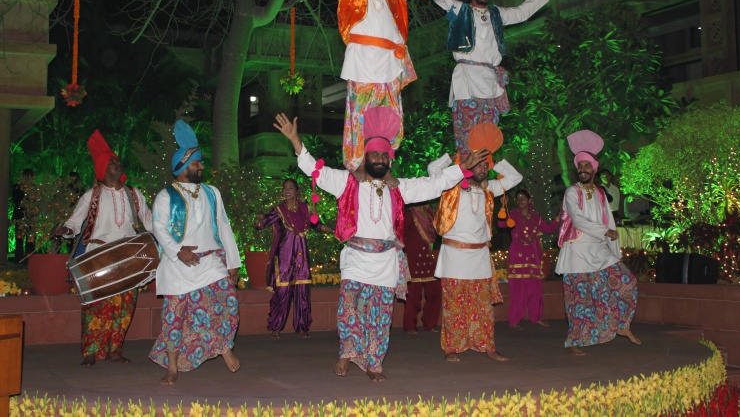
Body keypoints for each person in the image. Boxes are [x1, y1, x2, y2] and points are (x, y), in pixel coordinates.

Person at [274, 108, 487, 382]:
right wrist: (295, 140)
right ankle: (346, 353)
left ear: (389, 160)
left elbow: (435, 184)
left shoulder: (400, 188)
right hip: (355, 259)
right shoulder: (347, 183)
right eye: (374, 155)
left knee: (380, 317)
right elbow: (315, 170)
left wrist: (463, 167)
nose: (378, 159)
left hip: (385, 263)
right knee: (349, 309)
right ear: (366, 158)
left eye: (383, 155)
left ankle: (374, 363)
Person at [293, 0, 457, 171]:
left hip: (391, 64)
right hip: (362, 62)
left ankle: (386, 165)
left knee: (392, 118)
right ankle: (357, 167)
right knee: (360, 117)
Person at [420, 0, 549, 154]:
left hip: (491, 82)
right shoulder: (460, 10)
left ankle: (484, 179)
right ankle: (466, 178)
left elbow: (521, 13)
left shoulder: (496, 14)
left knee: (488, 139)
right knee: (468, 136)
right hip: (467, 81)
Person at [149, 120, 242, 385]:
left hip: (211, 262)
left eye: (200, 163)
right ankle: (173, 367)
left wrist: (233, 262)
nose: (201, 167)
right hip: (178, 267)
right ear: (181, 168)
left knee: (228, 303)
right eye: (196, 164)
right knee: (173, 318)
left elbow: (223, 226)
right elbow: (158, 227)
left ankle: (224, 347)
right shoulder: (165, 196)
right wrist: (178, 251)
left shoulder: (212, 192)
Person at [53, 131, 152, 367]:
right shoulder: (91, 196)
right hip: (98, 256)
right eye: (113, 162)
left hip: (128, 257)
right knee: (95, 306)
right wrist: (65, 231)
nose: (118, 164)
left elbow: (150, 222)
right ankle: (90, 351)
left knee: (125, 305)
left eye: (118, 161)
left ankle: (115, 351)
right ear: (103, 168)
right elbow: (74, 224)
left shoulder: (134, 194)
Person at [431, 123, 522, 362]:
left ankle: (487, 346)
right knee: (454, 305)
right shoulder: (450, 187)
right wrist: (451, 159)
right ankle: (452, 347)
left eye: (485, 165)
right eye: (478, 163)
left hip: (480, 256)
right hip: (454, 256)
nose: (482, 168)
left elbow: (515, 177)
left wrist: (494, 158)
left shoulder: (489, 189)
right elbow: (432, 171)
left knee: (482, 306)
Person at [555, 130, 640, 356]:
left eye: (586, 165)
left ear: (594, 168)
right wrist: (605, 231)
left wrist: (615, 251)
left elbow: (609, 221)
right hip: (577, 252)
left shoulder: (601, 193)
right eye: (579, 166)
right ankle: (574, 341)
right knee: (578, 301)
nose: (582, 169)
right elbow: (578, 219)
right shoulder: (572, 192)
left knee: (626, 282)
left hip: (599, 250)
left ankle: (621, 325)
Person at [254, 178, 333, 339]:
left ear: (297, 191)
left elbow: (316, 224)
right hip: (284, 257)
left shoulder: (305, 208)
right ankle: (276, 326)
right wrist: (259, 219)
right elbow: (262, 225)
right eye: (284, 188)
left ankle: (302, 327)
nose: (287, 190)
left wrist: (329, 229)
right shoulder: (279, 210)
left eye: (290, 188)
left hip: (301, 257)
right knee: (282, 292)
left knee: (302, 292)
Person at [498, 188, 559, 330]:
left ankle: (536, 317)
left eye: (523, 199)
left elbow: (549, 229)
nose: (520, 201)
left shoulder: (536, 217)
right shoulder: (512, 215)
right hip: (517, 257)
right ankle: (514, 320)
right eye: (518, 199)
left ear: (529, 200)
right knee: (517, 291)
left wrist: (557, 219)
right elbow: (501, 224)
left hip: (533, 257)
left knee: (535, 290)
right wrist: (503, 206)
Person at [402, 202, 441, 334]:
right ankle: (410, 326)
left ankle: (430, 324)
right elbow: (401, 235)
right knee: (413, 294)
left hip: (428, 258)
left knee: (435, 291)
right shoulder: (409, 214)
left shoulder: (430, 213)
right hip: (414, 259)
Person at [12, 168, 34, 262]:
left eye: (30, 175)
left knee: (31, 238)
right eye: (26, 175)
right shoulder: (17, 186)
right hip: (20, 215)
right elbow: (16, 200)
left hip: (31, 216)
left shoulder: (34, 188)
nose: (28, 177)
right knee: (19, 237)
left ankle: (30, 258)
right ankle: (19, 257)